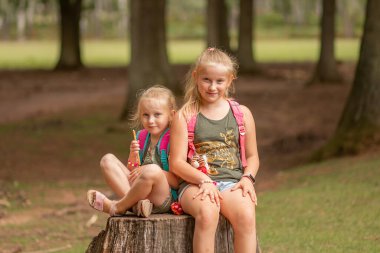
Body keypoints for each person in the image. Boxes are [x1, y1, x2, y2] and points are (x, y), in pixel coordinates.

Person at [169, 48, 259, 252]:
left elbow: (253, 156)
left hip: (231, 183)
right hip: (194, 184)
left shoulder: (241, 114)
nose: (212, 87)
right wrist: (204, 180)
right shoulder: (186, 116)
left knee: (246, 214)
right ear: (195, 77)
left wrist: (248, 178)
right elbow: (176, 162)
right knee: (209, 212)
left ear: (230, 80)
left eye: (219, 81)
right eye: (206, 79)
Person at [87, 85, 179, 217]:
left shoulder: (174, 139)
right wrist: (132, 157)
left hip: (164, 197)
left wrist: (149, 169)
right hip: (141, 194)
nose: (151, 120)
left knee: (152, 170)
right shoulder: (142, 136)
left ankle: (117, 207)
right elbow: (133, 173)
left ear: (171, 115)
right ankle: (135, 206)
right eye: (146, 115)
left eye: (157, 115)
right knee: (107, 160)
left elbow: (177, 182)